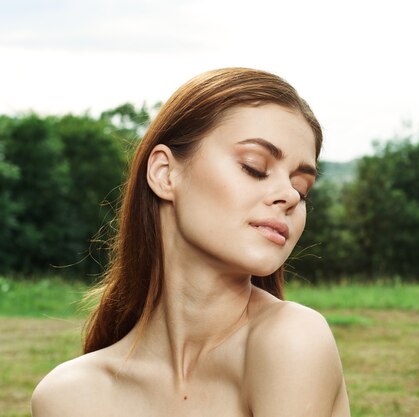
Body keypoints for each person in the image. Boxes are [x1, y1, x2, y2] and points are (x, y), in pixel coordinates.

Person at [31, 68, 351, 417]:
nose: (289, 195)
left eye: (302, 188)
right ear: (165, 174)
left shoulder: (291, 340)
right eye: (254, 167)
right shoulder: (67, 398)